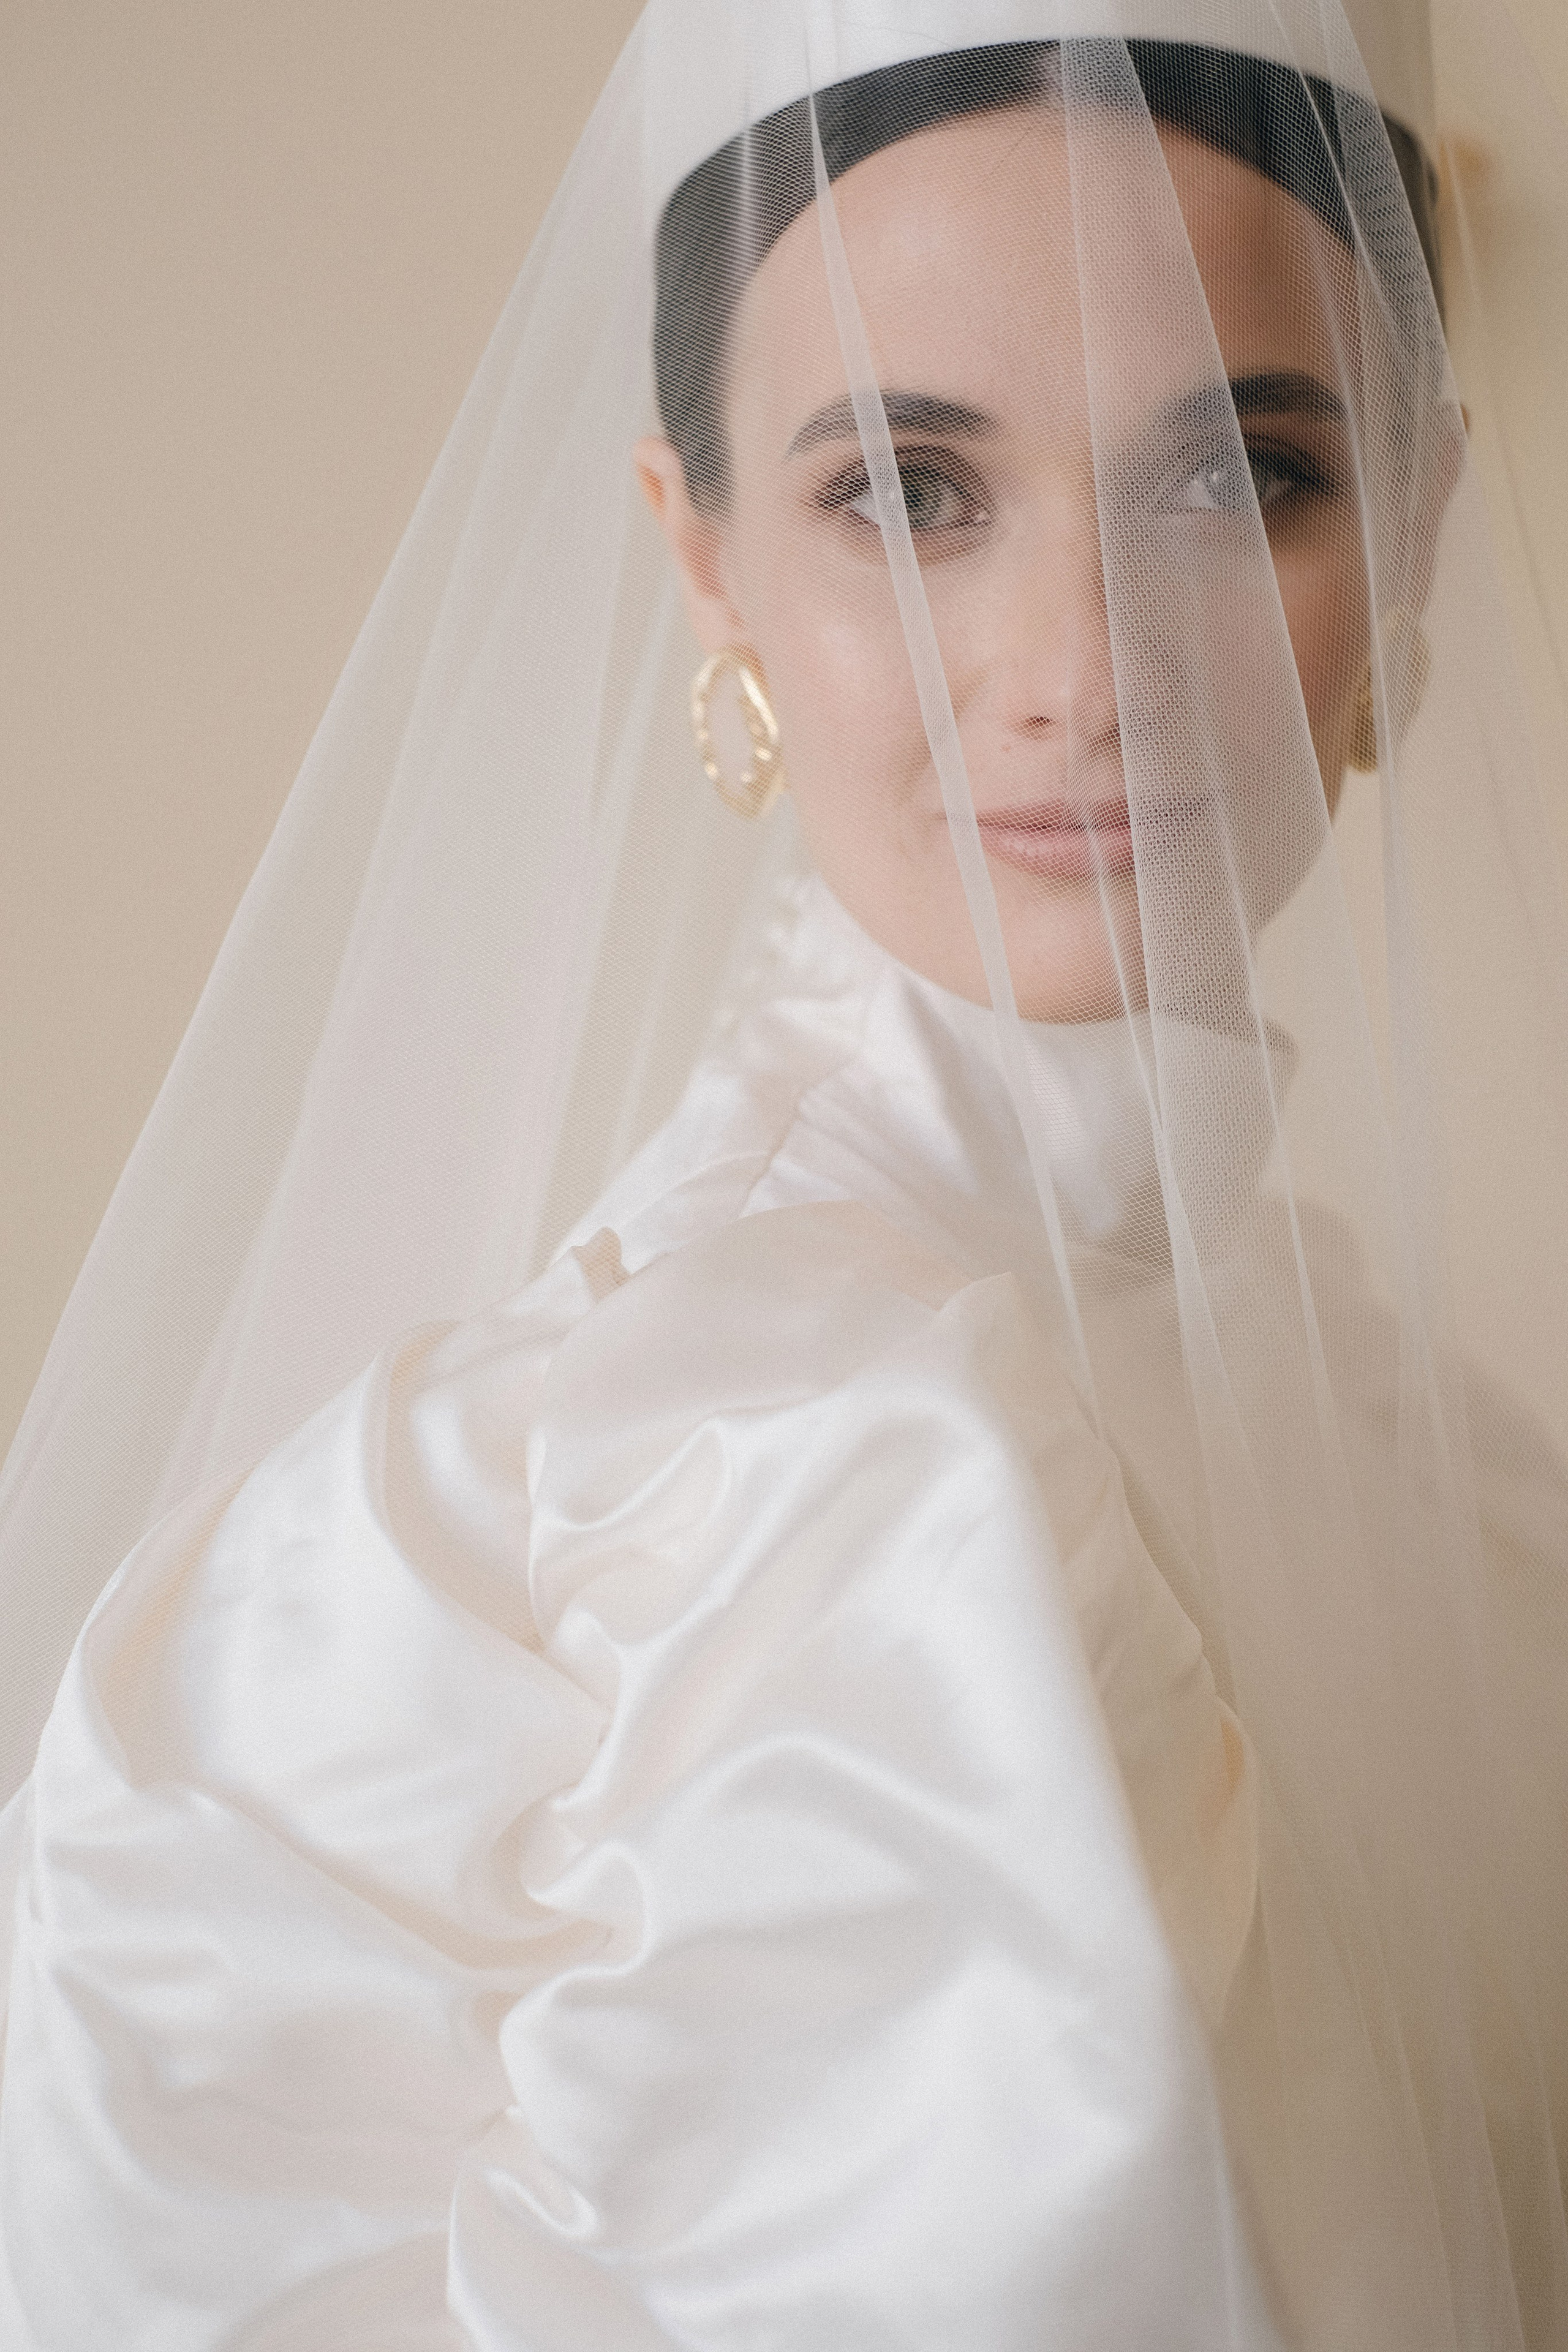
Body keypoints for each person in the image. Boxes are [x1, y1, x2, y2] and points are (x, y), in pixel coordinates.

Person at [1, 1, 1566, 2343]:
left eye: (1239, 475)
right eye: (910, 495)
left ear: (1415, 516)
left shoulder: (1397, 1434)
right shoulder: (745, 1481)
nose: (1082, 670)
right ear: (704, 556)